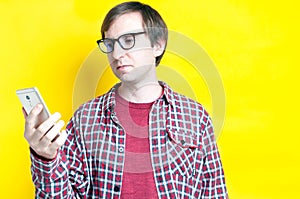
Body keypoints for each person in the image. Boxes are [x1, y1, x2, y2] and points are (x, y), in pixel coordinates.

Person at [23, 1, 228, 198]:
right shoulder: (85, 119)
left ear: (157, 45)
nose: (117, 53)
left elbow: (215, 192)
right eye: (109, 44)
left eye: (129, 40)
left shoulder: (195, 117)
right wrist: (46, 158)